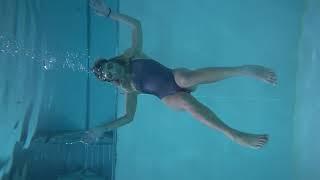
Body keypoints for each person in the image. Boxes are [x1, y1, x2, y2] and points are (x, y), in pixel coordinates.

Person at [88, 0, 277, 149]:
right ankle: (234, 135)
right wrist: (102, 129)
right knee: (186, 102)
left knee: (186, 79)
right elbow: (128, 117)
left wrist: (110, 14)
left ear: (112, 61)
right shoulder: (127, 88)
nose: (112, 70)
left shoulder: (132, 54)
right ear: (111, 80)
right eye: (109, 74)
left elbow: (136, 25)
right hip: (168, 97)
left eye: (109, 66)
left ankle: (244, 70)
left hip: (174, 77)